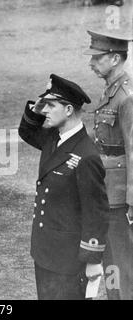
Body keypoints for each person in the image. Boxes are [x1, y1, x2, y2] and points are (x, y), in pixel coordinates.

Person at [18, 74, 110, 300]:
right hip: (45, 251)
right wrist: (35, 108)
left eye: (51, 105)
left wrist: (93, 260)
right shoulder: (53, 139)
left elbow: (95, 212)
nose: (45, 110)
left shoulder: (86, 156)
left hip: (68, 260)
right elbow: (27, 131)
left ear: (68, 110)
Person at [84, 30, 133, 299]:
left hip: (120, 197)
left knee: (124, 266)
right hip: (107, 191)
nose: (91, 63)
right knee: (112, 263)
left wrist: (131, 200)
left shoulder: (126, 96)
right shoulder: (110, 92)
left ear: (114, 58)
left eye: (97, 58)